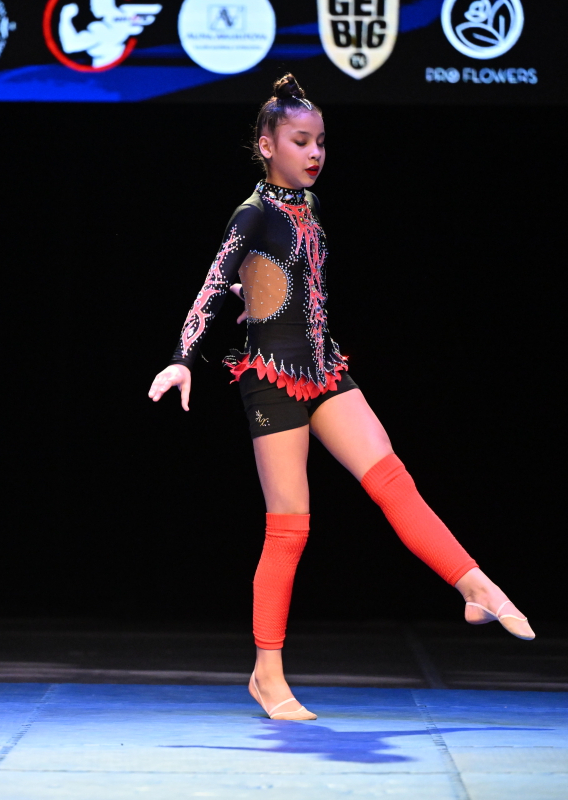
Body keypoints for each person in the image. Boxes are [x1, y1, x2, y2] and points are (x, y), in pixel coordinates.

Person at [147, 74, 534, 722]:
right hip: (271, 377)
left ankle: (476, 586)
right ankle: (267, 675)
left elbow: (284, 280)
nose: (315, 152)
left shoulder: (311, 206)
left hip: (325, 370)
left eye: (321, 141)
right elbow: (213, 284)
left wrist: (257, 291)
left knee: (393, 481)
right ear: (266, 145)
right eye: (301, 141)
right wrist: (184, 358)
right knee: (290, 527)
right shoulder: (252, 213)